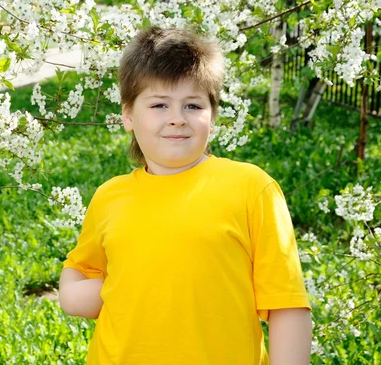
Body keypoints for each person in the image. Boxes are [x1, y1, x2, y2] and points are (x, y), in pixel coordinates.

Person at [58, 27, 312, 365]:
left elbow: (287, 303)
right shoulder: (110, 197)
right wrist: (82, 293)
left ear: (213, 115)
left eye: (192, 105)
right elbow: (79, 272)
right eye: (160, 104)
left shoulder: (251, 188)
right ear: (128, 115)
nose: (177, 119)